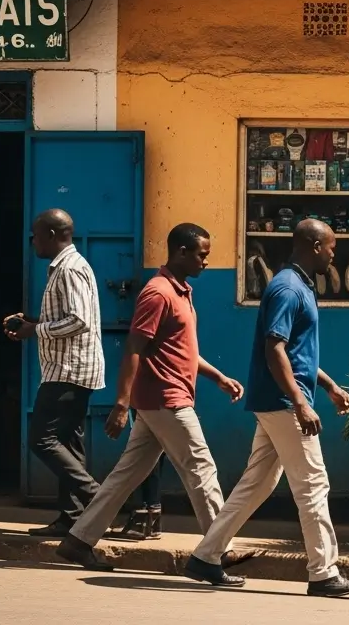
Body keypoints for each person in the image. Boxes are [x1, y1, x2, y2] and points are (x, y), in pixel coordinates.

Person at [183, 219, 349, 597]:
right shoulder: (287, 288)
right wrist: (301, 402)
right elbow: (275, 348)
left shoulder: (297, 285)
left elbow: (295, 353)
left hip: (279, 401)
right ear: (314, 245)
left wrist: (329, 385)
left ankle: (205, 557)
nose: (335, 254)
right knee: (313, 484)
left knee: (257, 483)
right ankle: (324, 572)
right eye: (331, 247)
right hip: (285, 403)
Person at [54, 223, 251, 571]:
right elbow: (134, 346)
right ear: (181, 252)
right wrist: (120, 402)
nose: (207, 261)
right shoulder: (158, 292)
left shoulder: (181, 291)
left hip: (161, 401)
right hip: (166, 399)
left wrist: (218, 377)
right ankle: (218, 550)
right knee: (201, 470)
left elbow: (183, 350)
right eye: (202, 255)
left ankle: (77, 540)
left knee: (126, 475)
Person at [3, 209, 104, 537]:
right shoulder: (64, 267)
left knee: (42, 440)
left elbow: (79, 320)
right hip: (67, 367)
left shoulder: (70, 269)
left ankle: (97, 496)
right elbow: (65, 317)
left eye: (35, 234)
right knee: (68, 443)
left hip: (69, 370)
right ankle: (71, 519)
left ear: (50, 234)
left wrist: (36, 331)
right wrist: (32, 322)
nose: (32, 241)